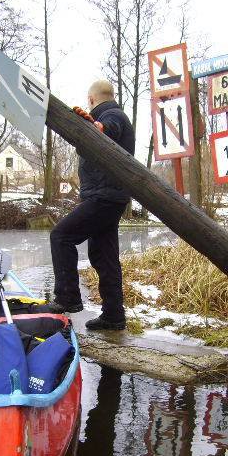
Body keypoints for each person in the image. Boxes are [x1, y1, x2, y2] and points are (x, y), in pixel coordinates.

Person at [49, 80, 135, 330]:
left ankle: (68, 298)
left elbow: (108, 128)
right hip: (110, 197)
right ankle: (113, 316)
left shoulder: (112, 115)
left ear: (91, 100)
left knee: (61, 236)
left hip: (103, 197)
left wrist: (96, 126)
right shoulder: (114, 114)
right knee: (104, 257)